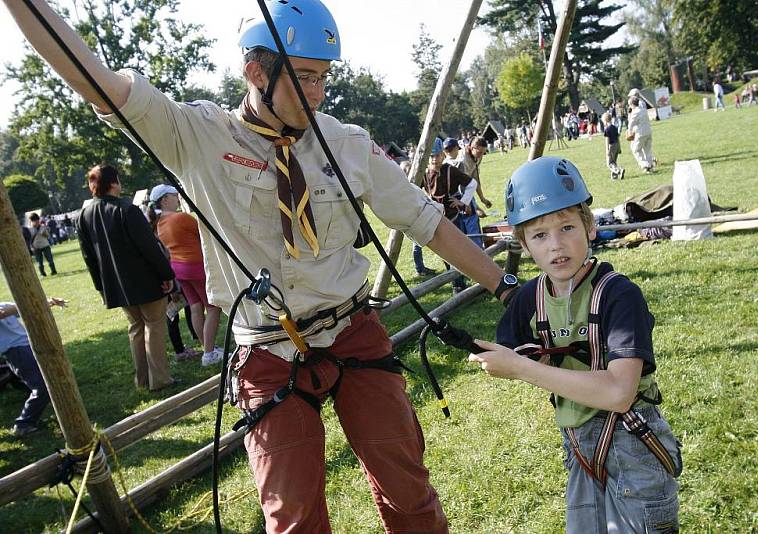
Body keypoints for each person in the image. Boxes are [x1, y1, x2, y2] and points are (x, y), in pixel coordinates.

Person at [4, 1, 520, 530]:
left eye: (323, 78)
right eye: (303, 78)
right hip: (265, 350)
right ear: (256, 71)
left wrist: (506, 287)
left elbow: (426, 221)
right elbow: (96, 80)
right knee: (292, 516)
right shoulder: (198, 137)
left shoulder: (345, 142)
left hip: (353, 330)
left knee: (407, 487)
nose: (317, 94)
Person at [469, 157, 682, 533]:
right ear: (523, 244)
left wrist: (521, 368)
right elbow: (508, 351)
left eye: (567, 227)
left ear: (590, 225)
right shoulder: (531, 299)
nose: (556, 246)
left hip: (634, 449)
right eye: (539, 235)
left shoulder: (618, 295)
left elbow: (619, 392)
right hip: (579, 450)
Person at [76, 165, 178, 391]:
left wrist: (101, 287)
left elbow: (88, 257)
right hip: (145, 281)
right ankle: (160, 379)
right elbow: (149, 247)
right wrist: (167, 275)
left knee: (136, 329)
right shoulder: (127, 210)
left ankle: (142, 380)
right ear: (113, 183)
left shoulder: (84, 215)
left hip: (116, 286)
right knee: (153, 327)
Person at [149, 184, 223, 367]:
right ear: (165, 199)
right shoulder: (181, 218)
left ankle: (208, 348)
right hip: (195, 266)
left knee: (196, 307)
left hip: (179, 269)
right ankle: (209, 352)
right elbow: (206, 234)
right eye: (175, 195)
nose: (178, 198)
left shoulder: (159, 223)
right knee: (213, 308)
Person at [0, 297, 65, 437]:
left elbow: (27, 307)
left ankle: (64, 410)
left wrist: (50, 301)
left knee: (51, 378)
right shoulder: (3, 308)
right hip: (16, 351)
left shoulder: (3, 305)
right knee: (42, 386)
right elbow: (4, 312)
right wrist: (25, 302)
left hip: (28, 346)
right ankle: (23, 424)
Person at [424, 137, 478, 294]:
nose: (435, 159)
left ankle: (460, 282)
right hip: (435, 219)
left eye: (438, 155)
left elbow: (472, 184)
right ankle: (456, 282)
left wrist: (463, 202)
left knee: (458, 250)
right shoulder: (424, 173)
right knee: (443, 252)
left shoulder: (450, 170)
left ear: (443, 155)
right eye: (432, 156)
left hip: (453, 218)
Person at [457, 136, 492, 248]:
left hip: (466, 191)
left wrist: (482, 199)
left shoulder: (477, 157)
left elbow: (475, 178)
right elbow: (461, 186)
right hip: (458, 194)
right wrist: (474, 207)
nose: (481, 155)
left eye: (483, 153)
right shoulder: (462, 160)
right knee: (470, 222)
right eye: (479, 152)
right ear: (472, 148)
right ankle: (478, 251)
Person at [626, 95, 655, 173]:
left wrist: (629, 132)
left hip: (640, 133)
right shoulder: (643, 110)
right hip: (648, 132)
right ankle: (651, 165)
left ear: (632, 104)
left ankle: (645, 165)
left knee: (636, 150)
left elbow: (630, 124)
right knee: (647, 150)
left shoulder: (635, 112)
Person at [601, 112, 624, 180]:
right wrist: (619, 147)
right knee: (614, 162)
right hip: (617, 145)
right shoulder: (614, 128)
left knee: (609, 163)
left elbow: (607, 140)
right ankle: (614, 176)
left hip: (611, 146)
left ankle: (618, 171)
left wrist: (607, 150)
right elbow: (617, 138)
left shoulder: (607, 129)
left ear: (605, 121)